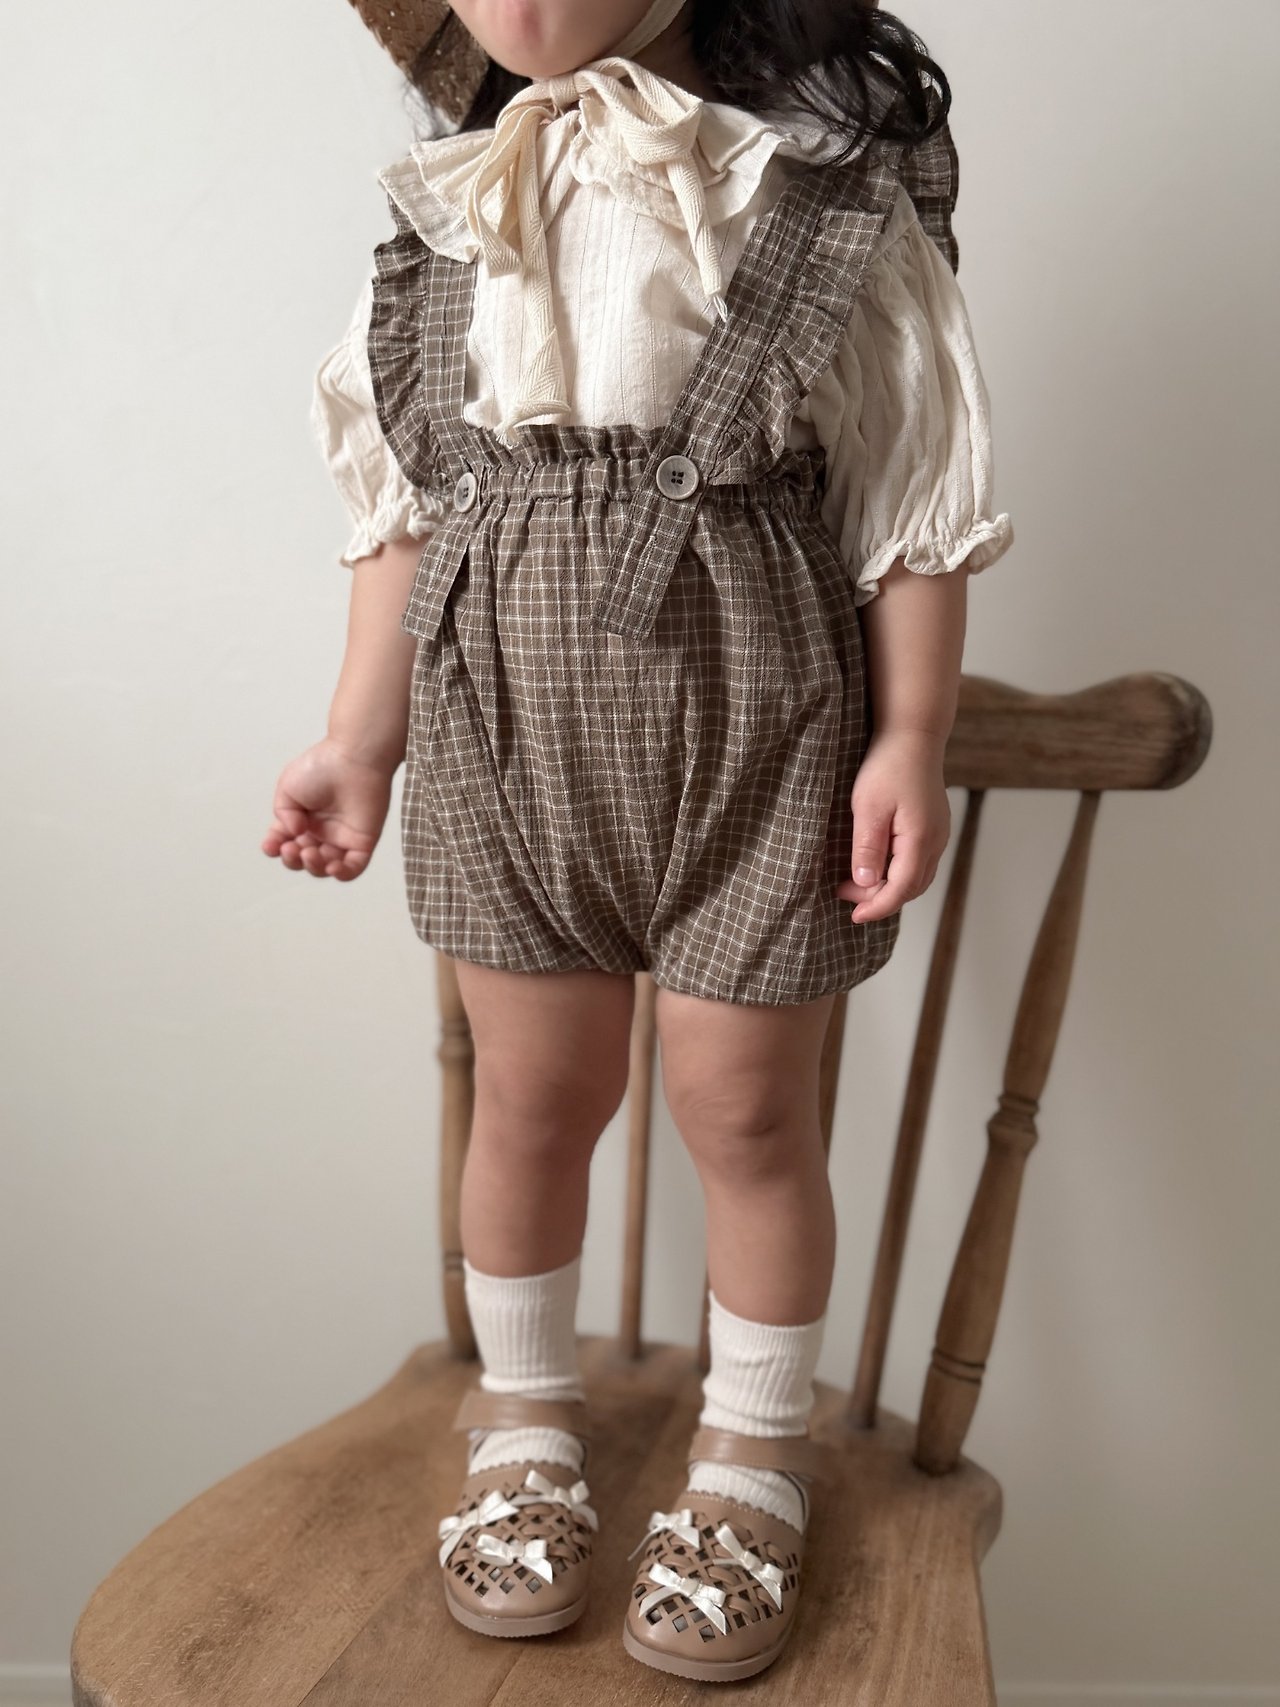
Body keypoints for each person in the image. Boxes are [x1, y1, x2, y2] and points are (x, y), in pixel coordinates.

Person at [263, 0, 1013, 1679]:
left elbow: (910, 491)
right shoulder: (449, 209)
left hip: (761, 732)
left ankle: (752, 1452)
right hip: (502, 735)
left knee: (745, 1107)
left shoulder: (809, 198)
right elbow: (403, 506)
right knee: (532, 1098)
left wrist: (910, 736)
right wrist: (358, 742)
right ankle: (523, 1417)